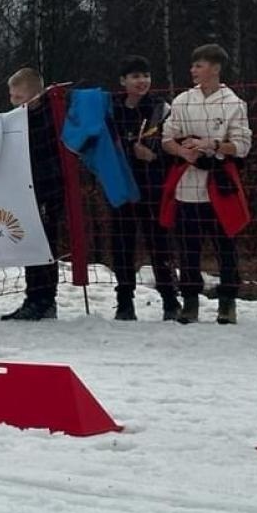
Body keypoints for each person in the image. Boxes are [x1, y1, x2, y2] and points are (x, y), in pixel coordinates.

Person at [162, 44, 252, 324]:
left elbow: (242, 145)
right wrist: (182, 151)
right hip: (187, 184)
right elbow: (167, 138)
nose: (193, 70)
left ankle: (227, 302)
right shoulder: (182, 101)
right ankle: (190, 300)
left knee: (225, 246)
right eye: (193, 66)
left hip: (218, 184)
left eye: (199, 65)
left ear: (215, 68)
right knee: (188, 247)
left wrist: (213, 144)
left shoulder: (233, 103)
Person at [111, 55, 178, 321]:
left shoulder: (161, 109)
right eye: (135, 76)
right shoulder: (112, 110)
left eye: (146, 76)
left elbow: (174, 145)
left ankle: (170, 300)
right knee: (122, 244)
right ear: (123, 81)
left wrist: (154, 157)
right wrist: (129, 150)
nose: (142, 81)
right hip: (121, 187)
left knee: (159, 243)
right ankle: (124, 301)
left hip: (153, 186)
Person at [1, 67, 64, 321]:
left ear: (34, 95)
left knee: (45, 242)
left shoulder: (50, 116)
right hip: (28, 188)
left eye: (17, 97)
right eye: (11, 97)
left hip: (48, 186)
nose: (12, 103)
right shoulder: (18, 119)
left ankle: (45, 299)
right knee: (30, 242)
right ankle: (33, 297)